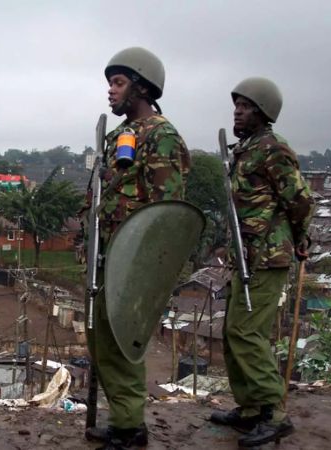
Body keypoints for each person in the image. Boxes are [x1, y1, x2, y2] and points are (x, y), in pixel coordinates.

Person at [85, 47, 190, 449]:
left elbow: (167, 212)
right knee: (101, 341)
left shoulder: (162, 137)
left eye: (119, 83)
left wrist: (151, 267)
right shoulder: (117, 137)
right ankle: (123, 421)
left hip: (133, 261)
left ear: (142, 87)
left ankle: (130, 428)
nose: (110, 92)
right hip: (105, 255)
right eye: (110, 83)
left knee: (121, 341)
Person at [210, 77, 313, 448]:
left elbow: (300, 200)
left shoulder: (273, 149)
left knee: (247, 332)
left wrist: (300, 239)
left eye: (247, 105)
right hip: (245, 256)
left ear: (263, 112)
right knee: (232, 331)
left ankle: (274, 412)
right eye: (237, 104)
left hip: (269, 256)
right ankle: (250, 408)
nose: (238, 110)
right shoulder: (246, 149)